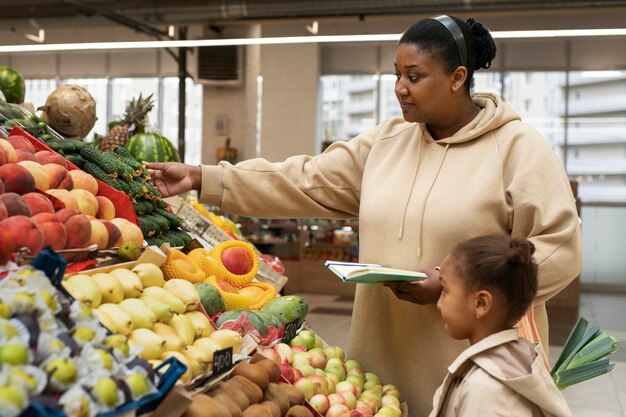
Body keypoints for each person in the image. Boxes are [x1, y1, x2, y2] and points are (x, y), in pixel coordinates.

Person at [146, 15, 582, 416]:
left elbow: (558, 247)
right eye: (397, 75)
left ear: (457, 78)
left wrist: (455, 284)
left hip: (472, 369)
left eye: (414, 76)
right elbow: (303, 180)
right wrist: (204, 178)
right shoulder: (387, 143)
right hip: (378, 362)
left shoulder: (517, 148)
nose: (400, 88)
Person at [430, 234, 571, 417]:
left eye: (445, 291)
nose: (439, 303)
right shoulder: (521, 357)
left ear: (481, 303)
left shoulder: (483, 388)